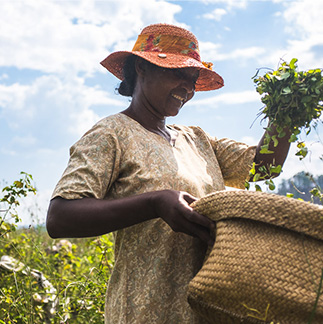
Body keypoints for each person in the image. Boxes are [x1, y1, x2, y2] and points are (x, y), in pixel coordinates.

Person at [46, 23, 291, 324]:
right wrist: (155, 203)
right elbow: (60, 217)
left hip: (206, 310)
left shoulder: (197, 139)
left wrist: (287, 109)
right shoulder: (112, 134)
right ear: (142, 68)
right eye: (177, 74)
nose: (187, 89)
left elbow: (264, 165)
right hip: (146, 311)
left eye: (192, 79)